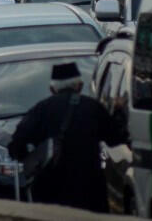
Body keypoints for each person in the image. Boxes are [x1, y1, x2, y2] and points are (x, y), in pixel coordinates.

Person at [8, 62, 127, 213]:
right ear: (80, 86)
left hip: (50, 196)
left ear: (52, 89)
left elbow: (15, 146)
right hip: (90, 194)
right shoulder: (93, 108)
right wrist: (117, 112)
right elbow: (116, 139)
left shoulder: (41, 110)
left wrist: (34, 161)